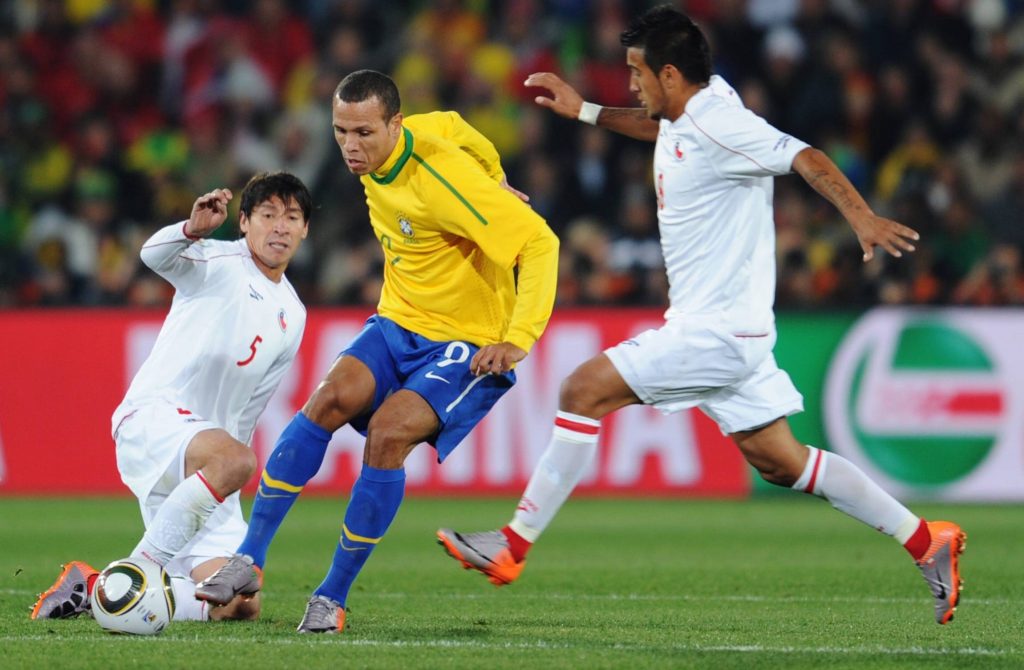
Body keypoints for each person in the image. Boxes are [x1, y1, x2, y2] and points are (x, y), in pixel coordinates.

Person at [437, 5, 966, 626]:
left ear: (667, 74)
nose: (630, 84)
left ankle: (513, 545)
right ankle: (926, 539)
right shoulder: (689, 109)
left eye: (637, 73)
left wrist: (861, 218)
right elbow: (658, 127)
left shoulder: (724, 123)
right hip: (724, 328)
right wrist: (584, 110)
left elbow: (809, 157)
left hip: (716, 332)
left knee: (582, 390)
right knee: (781, 461)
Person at [194, 69, 559, 633]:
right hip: (398, 321)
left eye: (364, 132)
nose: (350, 146)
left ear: (394, 125)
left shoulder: (443, 180)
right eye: (341, 131)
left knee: (388, 435)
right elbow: (460, 126)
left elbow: (539, 241)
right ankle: (248, 559)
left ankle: (332, 597)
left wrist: (519, 337)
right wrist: (496, 174)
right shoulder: (403, 141)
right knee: (326, 399)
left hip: (465, 341)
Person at [30, 172, 313, 623]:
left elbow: (250, 409)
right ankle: (140, 567)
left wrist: (224, 478)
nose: (280, 226)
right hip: (155, 418)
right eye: (268, 214)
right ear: (244, 222)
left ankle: (95, 586)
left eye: (292, 217)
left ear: (304, 230)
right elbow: (151, 255)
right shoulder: (214, 259)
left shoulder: (293, 314)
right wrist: (191, 230)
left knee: (239, 603)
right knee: (239, 462)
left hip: (209, 461)